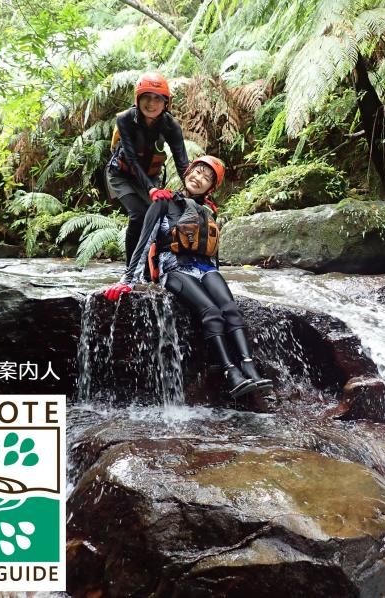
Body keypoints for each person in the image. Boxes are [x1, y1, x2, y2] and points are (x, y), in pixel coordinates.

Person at [103, 156, 272, 400]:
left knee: (231, 310)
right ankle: (230, 372)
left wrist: (214, 280)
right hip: (175, 269)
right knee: (211, 312)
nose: (198, 178)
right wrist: (128, 281)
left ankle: (249, 366)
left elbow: (212, 252)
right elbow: (145, 240)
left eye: (206, 177)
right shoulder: (164, 201)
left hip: (206, 269)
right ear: (187, 172)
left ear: (210, 187)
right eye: (196, 172)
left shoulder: (209, 212)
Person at [105, 72, 190, 265]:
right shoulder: (125, 119)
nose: (151, 104)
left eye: (157, 99)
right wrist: (151, 189)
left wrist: (199, 193)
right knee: (139, 215)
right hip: (121, 175)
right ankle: (130, 269)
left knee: (160, 218)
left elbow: (182, 162)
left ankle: (153, 265)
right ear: (138, 99)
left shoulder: (171, 126)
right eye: (146, 97)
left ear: (166, 102)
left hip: (150, 177)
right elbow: (132, 159)